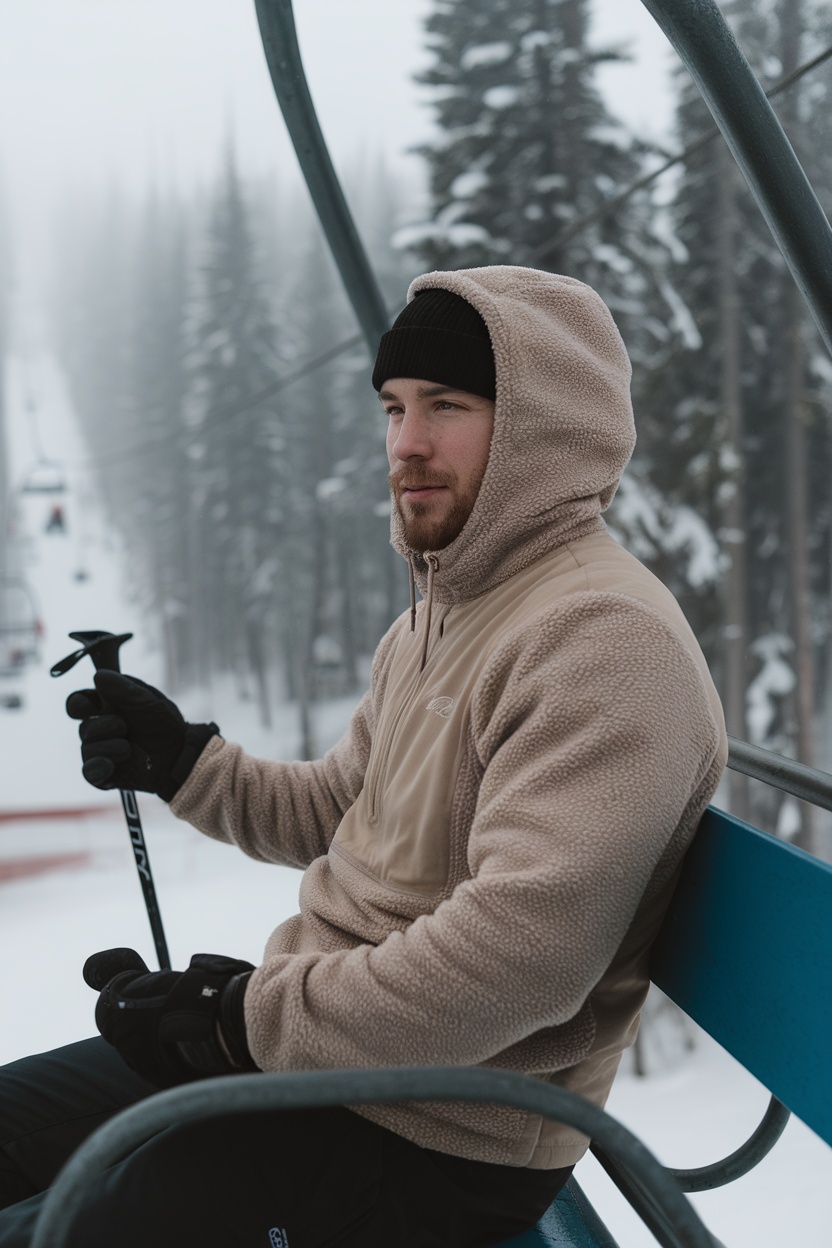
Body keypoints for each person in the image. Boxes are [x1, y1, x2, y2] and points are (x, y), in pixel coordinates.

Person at [0, 266, 727, 1248]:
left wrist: (242, 1019)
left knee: (66, 1228)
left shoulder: (599, 638)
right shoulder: (446, 616)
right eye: (393, 407)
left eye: (447, 405)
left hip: (439, 1137)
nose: (406, 443)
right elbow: (339, 814)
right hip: (332, 1069)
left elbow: (520, 957)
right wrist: (183, 762)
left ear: (540, 430)